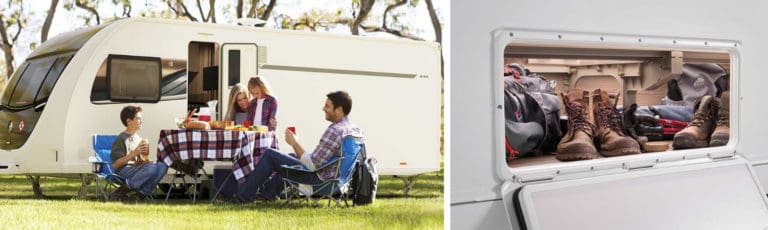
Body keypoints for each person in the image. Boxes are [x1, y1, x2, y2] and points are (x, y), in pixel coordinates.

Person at [237, 91, 363, 203]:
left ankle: (244, 196)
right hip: (338, 183)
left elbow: (312, 165)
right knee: (289, 157)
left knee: (270, 154)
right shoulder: (354, 130)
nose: (323, 108)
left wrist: (294, 143)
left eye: (327, 106)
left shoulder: (335, 131)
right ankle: (269, 194)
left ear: (339, 110)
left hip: (318, 182)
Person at [109, 105, 169, 201]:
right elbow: (115, 165)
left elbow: (139, 162)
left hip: (136, 168)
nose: (141, 121)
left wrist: (146, 162)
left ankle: (140, 194)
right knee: (152, 168)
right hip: (123, 170)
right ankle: (122, 191)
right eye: (138, 118)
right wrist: (134, 153)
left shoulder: (139, 139)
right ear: (129, 121)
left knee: (162, 166)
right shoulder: (121, 139)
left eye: (141, 119)